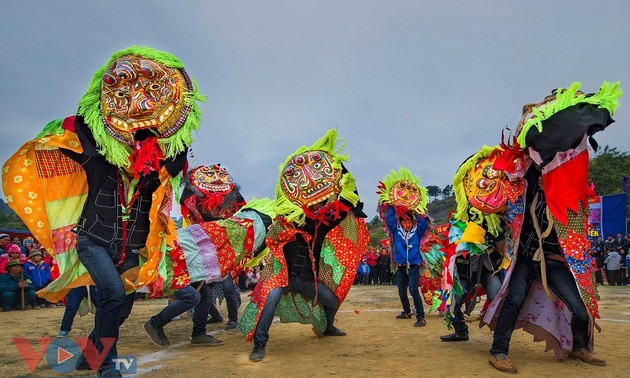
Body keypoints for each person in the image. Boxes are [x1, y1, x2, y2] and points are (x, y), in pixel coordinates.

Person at [2, 46, 202, 377]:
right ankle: (106, 367)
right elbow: (83, 121)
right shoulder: (98, 163)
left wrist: (176, 116)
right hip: (93, 242)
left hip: (128, 252)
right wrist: (105, 97)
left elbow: (178, 157)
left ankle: (88, 355)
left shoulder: (153, 177)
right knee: (110, 294)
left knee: (120, 307)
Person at [483, 82, 620, 373]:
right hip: (527, 257)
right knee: (513, 300)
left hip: (556, 260)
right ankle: (499, 351)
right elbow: (522, 164)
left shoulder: (570, 191)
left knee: (579, 305)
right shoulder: (530, 180)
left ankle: (580, 347)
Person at [240, 130, 369, 362]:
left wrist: (340, 169)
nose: (318, 203)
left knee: (331, 300)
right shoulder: (286, 222)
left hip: (307, 281)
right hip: (283, 278)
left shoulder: (323, 226)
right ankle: (260, 345)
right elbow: (273, 235)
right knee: (270, 299)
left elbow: (350, 202)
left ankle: (327, 327)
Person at [439, 144, 525, 342]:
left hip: (490, 268)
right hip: (465, 269)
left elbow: (504, 240)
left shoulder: (500, 215)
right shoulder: (462, 215)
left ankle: (500, 341)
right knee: (452, 302)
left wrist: (502, 249)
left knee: (499, 300)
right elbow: (454, 244)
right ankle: (461, 331)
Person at [377, 167, 430, 327]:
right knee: (401, 291)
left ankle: (420, 317)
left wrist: (417, 207)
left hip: (414, 265)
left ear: (412, 222)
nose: (407, 223)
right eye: (404, 221)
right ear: (401, 222)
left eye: (409, 221)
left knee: (413, 290)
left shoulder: (417, 231)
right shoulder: (396, 230)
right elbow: (391, 218)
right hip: (400, 265)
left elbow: (423, 221)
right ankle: (406, 312)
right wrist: (393, 203)